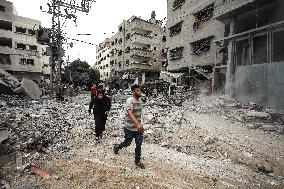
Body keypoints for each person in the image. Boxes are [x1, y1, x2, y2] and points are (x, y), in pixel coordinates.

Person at [113, 84, 145, 169]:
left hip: (138, 129)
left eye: (140, 90)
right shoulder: (130, 101)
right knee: (127, 143)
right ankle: (117, 147)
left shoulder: (140, 101)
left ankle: (137, 161)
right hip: (129, 128)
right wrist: (137, 124)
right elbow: (130, 113)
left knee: (139, 143)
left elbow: (139, 114)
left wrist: (141, 125)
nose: (139, 92)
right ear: (133, 91)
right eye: (137, 90)